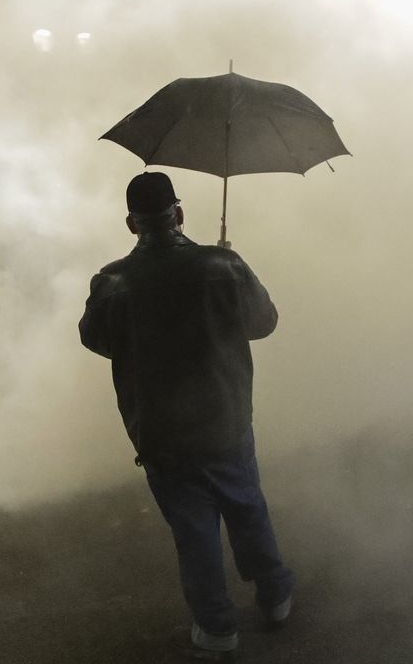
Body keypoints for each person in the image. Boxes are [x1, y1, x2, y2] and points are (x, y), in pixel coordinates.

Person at [78, 172, 293, 661]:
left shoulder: (111, 281)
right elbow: (264, 324)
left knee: (194, 530)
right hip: (225, 416)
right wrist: (225, 270)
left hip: (159, 429)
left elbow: (96, 340)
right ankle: (276, 597)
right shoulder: (223, 263)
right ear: (179, 214)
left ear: (132, 224)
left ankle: (217, 629)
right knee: (246, 506)